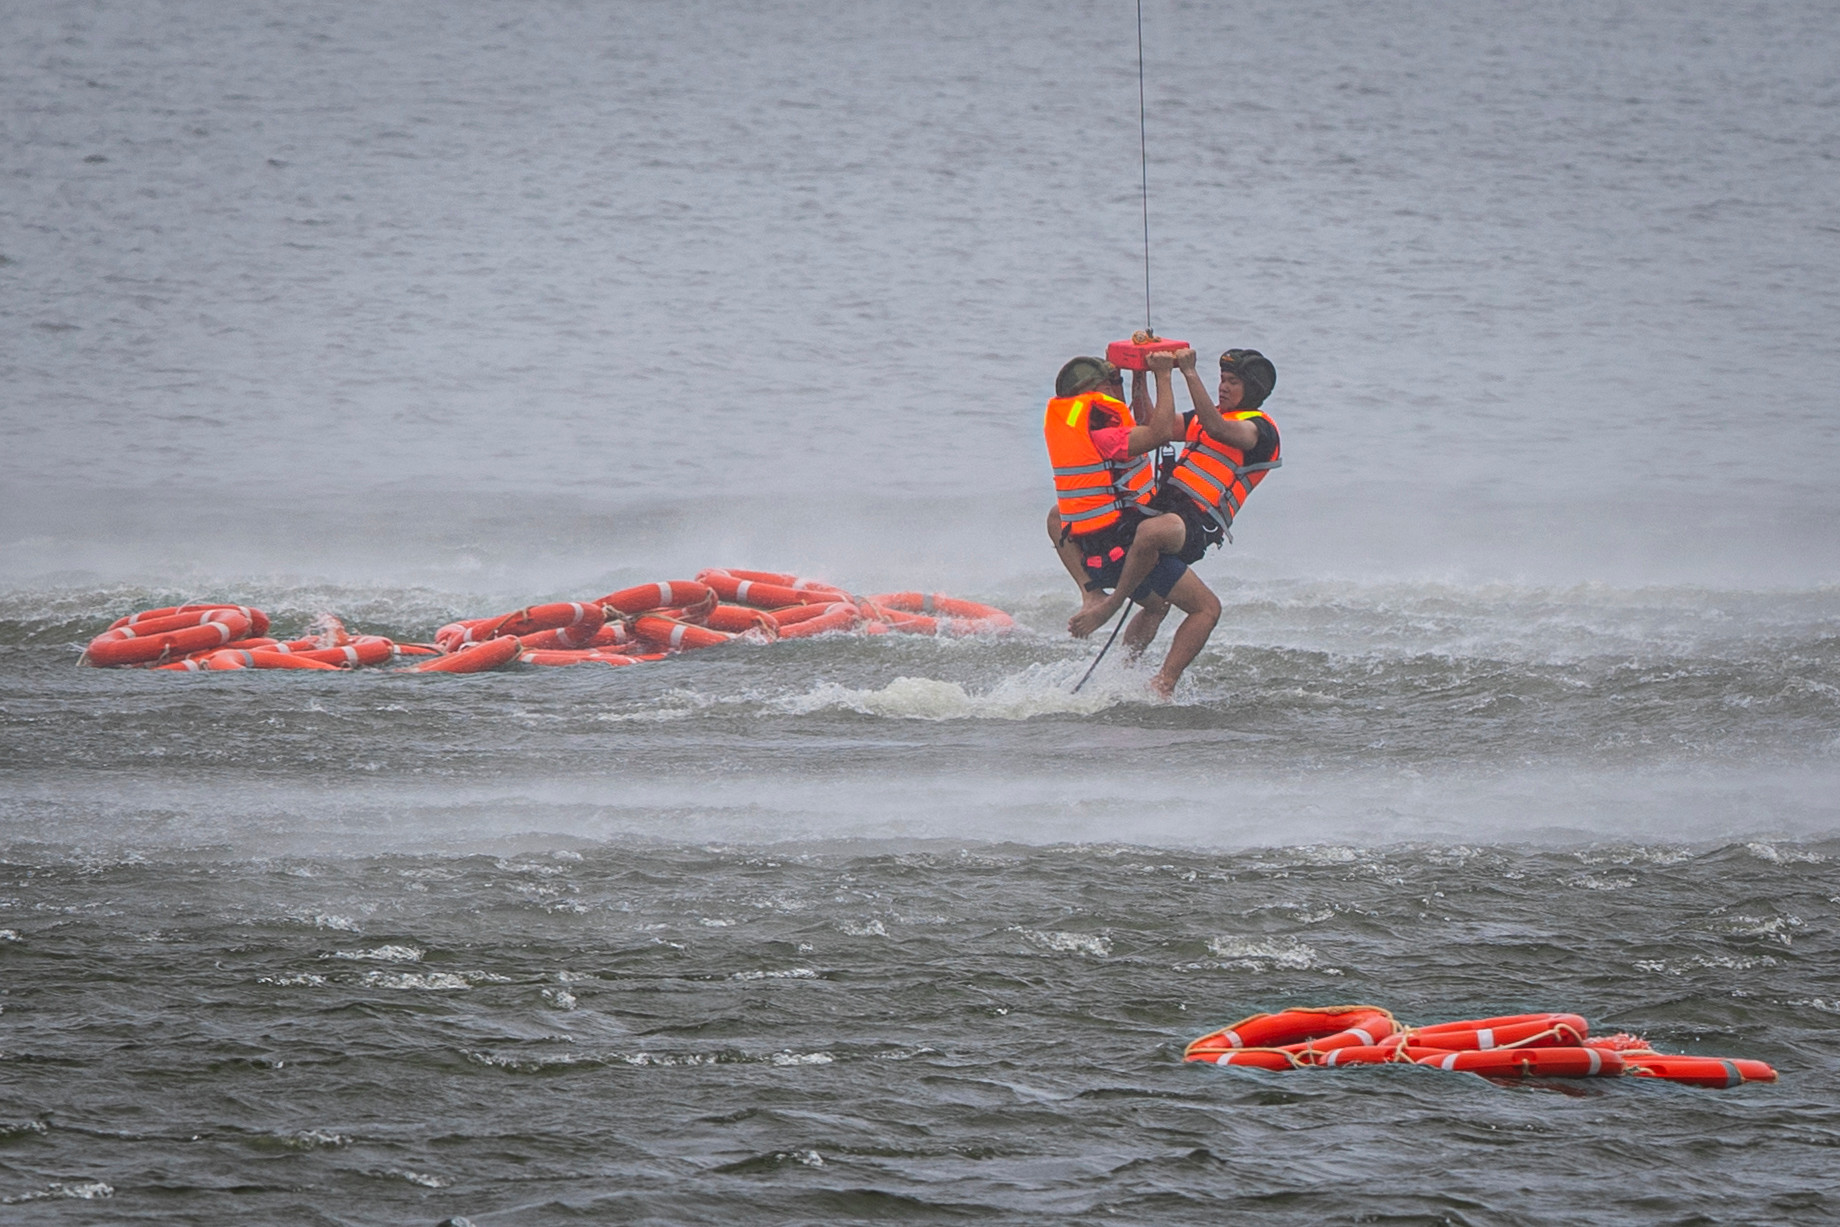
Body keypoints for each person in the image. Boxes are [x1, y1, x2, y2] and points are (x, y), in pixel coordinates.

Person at [1089, 346, 1281, 688]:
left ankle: (1163, 680)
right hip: (1164, 509)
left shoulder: (1258, 431)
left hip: (1196, 525)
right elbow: (1150, 422)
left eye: (1232, 382)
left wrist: (1186, 372)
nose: (1223, 387)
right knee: (1158, 604)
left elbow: (1217, 427)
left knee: (1157, 542)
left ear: (1251, 389)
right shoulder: (1205, 418)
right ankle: (1117, 673)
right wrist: (1140, 374)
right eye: (1221, 379)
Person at [1043, 351, 1222, 698]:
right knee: (1207, 608)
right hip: (1125, 551)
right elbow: (1158, 433)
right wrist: (1165, 376)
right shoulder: (1108, 436)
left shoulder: (1077, 425)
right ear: (1096, 390)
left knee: (1156, 606)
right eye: (1113, 384)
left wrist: (1139, 375)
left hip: (1095, 554)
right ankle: (1162, 685)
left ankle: (1119, 666)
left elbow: (1137, 420)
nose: (1117, 390)